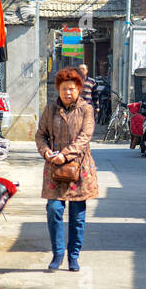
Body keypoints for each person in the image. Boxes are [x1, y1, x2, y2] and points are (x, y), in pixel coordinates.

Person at [37, 67, 99, 271]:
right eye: (64, 89)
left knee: (77, 216)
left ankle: (74, 256)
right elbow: (41, 135)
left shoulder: (86, 110)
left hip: (79, 169)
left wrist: (66, 154)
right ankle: (57, 253)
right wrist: (46, 152)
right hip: (55, 169)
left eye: (72, 89)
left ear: (78, 89)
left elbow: (85, 137)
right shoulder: (50, 110)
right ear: (59, 89)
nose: (68, 93)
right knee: (54, 210)